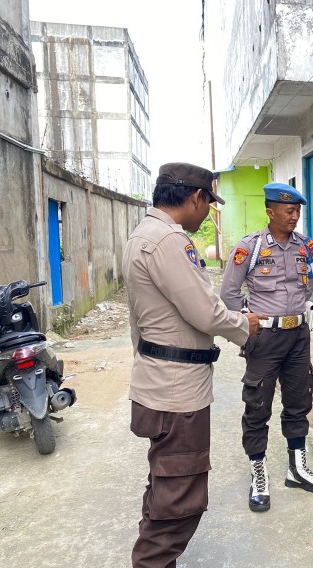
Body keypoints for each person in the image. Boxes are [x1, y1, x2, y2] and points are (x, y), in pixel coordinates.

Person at [123, 162, 259, 568]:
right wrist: (245, 326)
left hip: (157, 382)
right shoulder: (169, 241)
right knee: (179, 503)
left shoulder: (141, 235)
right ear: (196, 197)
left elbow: (137, 322)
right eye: (209, 203)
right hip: (177, 393)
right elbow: (206, 312)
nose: (207, 213)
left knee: (164, 490)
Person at [220, 182, 313, 513]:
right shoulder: (250, 247)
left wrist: (293, 312)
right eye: (288, 211)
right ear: (270, 212)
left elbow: (308, 285)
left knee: (299, 402)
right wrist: (247, 322)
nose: (294, 216)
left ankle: (297, 469)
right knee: (257, 406)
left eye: (297, 211)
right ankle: (259, 475)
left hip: (298, 336)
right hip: (265, 340)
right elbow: (228, 293)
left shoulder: (306, 246)